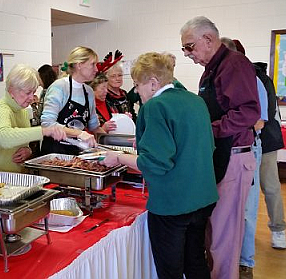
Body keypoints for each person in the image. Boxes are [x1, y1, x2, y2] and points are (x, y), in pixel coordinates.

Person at [101, 52, 218, 279]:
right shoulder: (195, 100)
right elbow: (201, 145)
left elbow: (155, 164)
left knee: (170, 270)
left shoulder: (156, 106)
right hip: (203, 197)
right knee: (195, 261)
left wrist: (118, 157)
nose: (136, 91)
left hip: (173, 203)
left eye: (137, 85)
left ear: (153, 82)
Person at [180, 16, 260, 279]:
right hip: (220, 156)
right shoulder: (212, 69)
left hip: (234, 157)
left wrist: (207, 130)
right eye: (184, 49)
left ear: (208, 39)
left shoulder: (234, 65)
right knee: (213, 230)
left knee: (223, 238)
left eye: (189, 47)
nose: (187, 54)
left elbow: (248, 112)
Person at [221, 37, 268, 279]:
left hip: (246, 151)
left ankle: (245, 263)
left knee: (247, 210)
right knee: (229, 213)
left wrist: (222, 127)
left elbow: (258, 122)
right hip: (229, 151)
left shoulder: (253, 80)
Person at [0, 64, 67, 172]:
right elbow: (4, 137)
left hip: (13, 176)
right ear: (12, 90)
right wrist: (44, 131)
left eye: (33, 92)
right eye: (27, 93)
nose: (31, 98)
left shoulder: (23, 110)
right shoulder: (1, 109)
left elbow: (21, 139)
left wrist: (28, 150)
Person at [40, 46, 104, 155]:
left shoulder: (88, 92)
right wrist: (78, 133)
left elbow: (94, 127)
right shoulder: (59, 87)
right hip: (54, 155)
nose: (96, 69)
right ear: (79, 65)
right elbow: (47, 124)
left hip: (78, 154)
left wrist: (116, 141)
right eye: (93, 64)